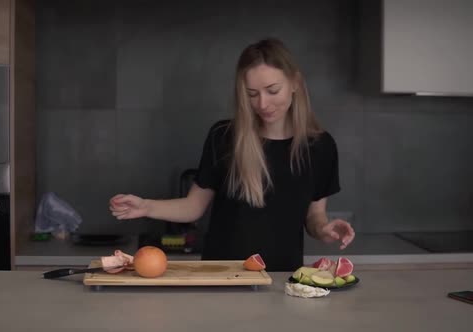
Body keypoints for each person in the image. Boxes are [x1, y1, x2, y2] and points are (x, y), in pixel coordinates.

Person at [109, 38, 355, 271]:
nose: (262, 104)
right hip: (220, 276)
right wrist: (145, 206)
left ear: (295, 83)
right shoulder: (224, 137)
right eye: (252, 94)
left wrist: (323, 229)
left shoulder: (321, 147)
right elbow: (193, 206)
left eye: (272, 90)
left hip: (282, 280)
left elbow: (314, 214)